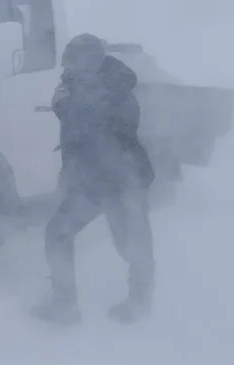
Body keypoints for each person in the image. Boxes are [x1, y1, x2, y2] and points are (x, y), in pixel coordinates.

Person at [32, 33, 156, 326]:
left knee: (131, 244)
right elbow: (79, 137)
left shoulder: (118, 90)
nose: (68, 70)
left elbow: (100, 132)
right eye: (68, 64)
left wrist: (64, 108)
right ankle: (64, 306)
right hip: (91, 182)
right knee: (58, 233)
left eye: (73, 64)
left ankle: (140, 301)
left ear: (92, 63)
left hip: (123, 182)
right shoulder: (78, 86)